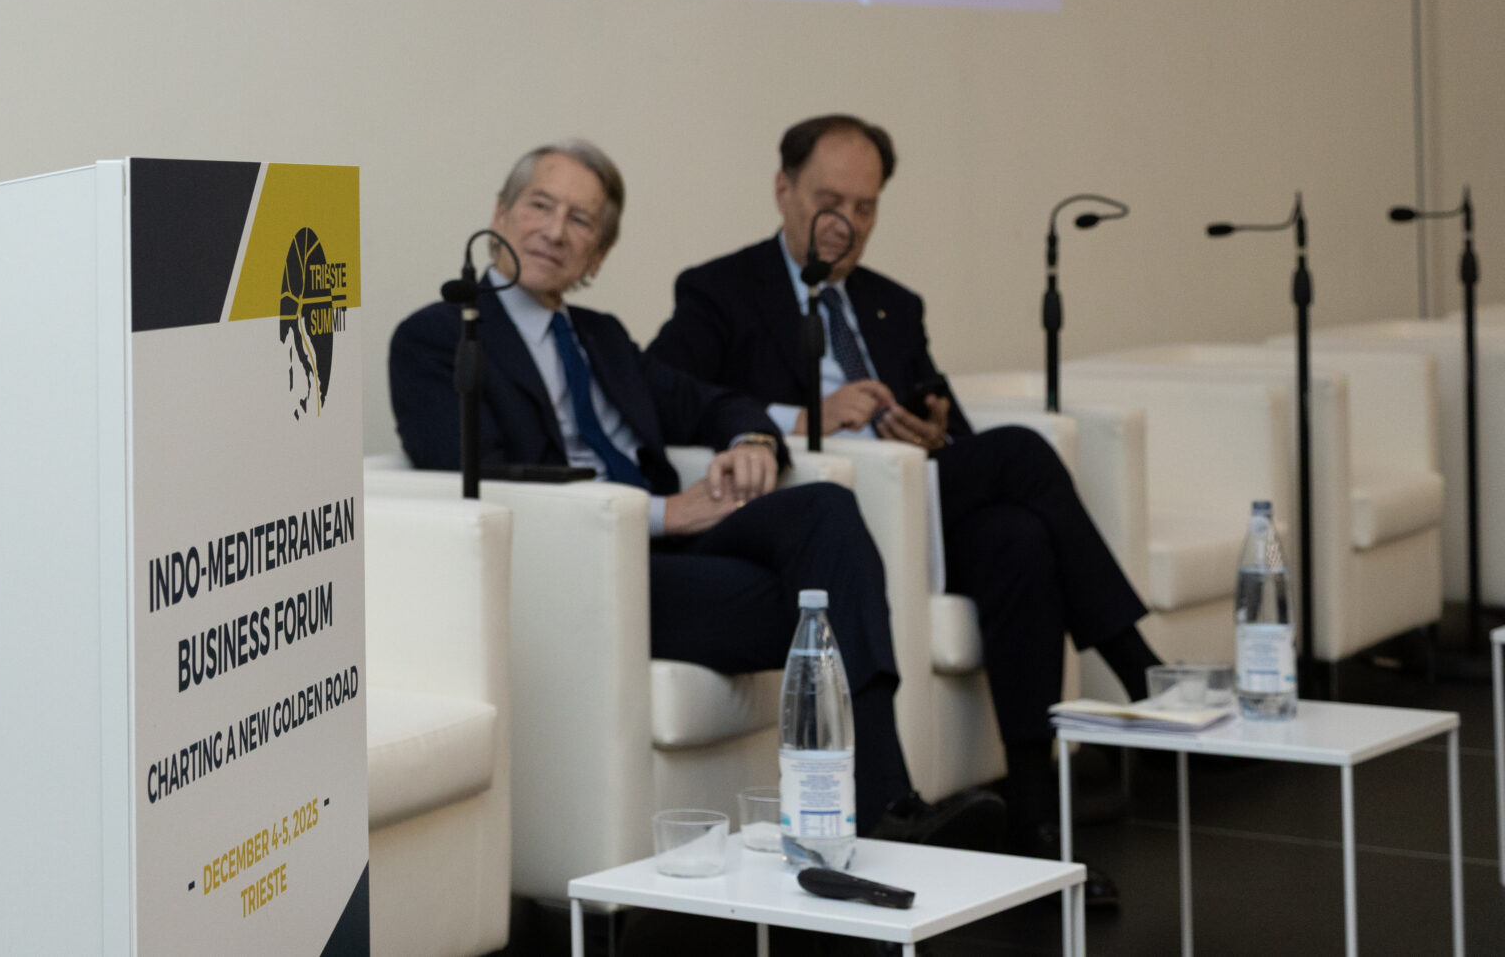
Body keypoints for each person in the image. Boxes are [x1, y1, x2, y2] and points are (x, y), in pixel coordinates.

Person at [389, 141, 1009, 850]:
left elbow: (709, 400)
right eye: (540, 206)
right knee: (830, 603)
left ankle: (887, 800)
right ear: (500, 213)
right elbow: (474, 476)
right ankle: (881, 812)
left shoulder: (601, 337)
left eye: (581, 220)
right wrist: (662, 512)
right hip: (589, 572)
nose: (555, 231)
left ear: (598, 254)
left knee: (825, 509)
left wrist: (751, 441)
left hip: (673, 550)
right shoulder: (436, 338)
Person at [650, 114, 1161, 866]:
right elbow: (664, 396)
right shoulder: (721, 290)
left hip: (919, 501)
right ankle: (1141, 670)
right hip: (834, 521)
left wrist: (934, 429)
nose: (847, 225)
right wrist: (804, 417)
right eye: (829, 202)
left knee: (1018, 536)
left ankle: (1033, 817)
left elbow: (952, 426)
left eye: (866, 208)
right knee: (1021, 465)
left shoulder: (893, 303)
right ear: (783, 190)